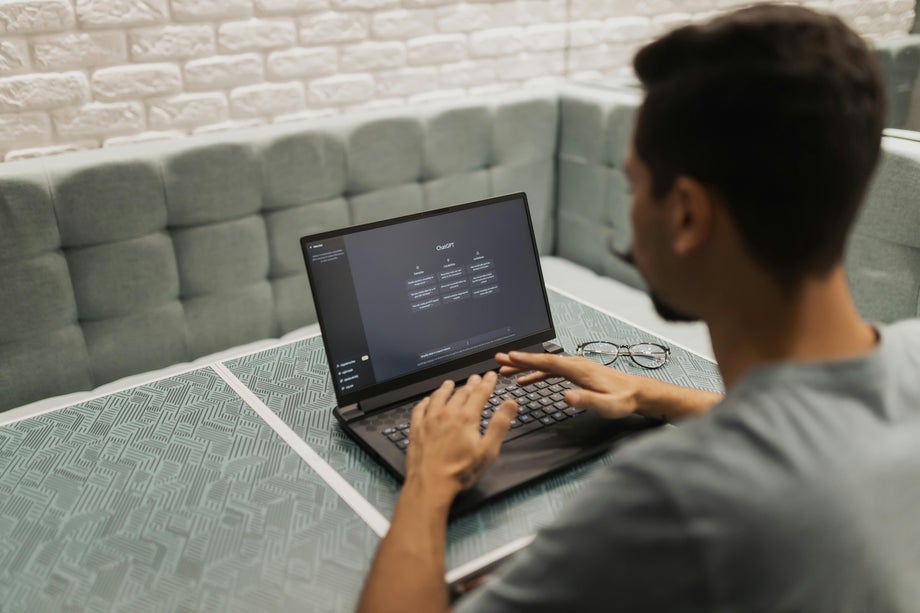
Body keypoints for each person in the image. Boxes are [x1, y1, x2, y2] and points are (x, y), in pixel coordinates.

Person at [357, 4, 920, 612]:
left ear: (685, 215)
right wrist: (653, 394)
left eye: (632, 184)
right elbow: (818, 429)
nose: (627, 210)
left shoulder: (667, 499)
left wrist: (428, 480)